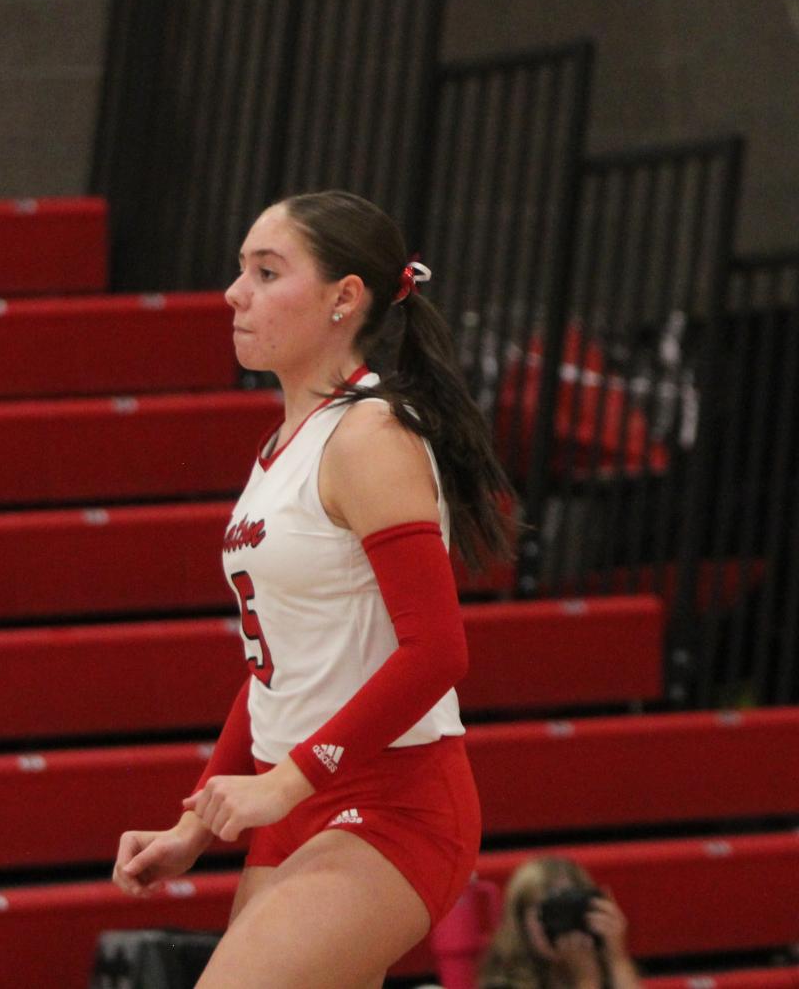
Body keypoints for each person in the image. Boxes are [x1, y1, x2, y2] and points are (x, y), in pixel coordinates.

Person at [112, 190, 520, 988]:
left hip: (394, 802)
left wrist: (287, 782)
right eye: (240, 272)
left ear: (345, 298)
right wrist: (195, 824)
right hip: (300, 802)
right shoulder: (281, 448)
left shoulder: (369, 435)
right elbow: (278, 672)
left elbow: (437, 650)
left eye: (266, 272)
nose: (236, 293)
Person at [476, 856, 640, 989]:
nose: (562, 921)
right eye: (551, 911)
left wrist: (617, 958)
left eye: (571, 908)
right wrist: (586, 981)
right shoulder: (502, 984)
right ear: (520, 922)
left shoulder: (611, 972)